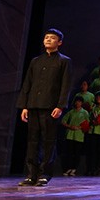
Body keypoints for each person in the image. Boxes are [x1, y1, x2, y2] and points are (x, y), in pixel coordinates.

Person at [17, 28, 72, 187]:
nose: (48, 39)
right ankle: (31, 174)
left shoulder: (64, 61)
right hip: (33, 105)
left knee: (48, 141)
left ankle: (44, 174)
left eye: (52, 38)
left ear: (59, 42)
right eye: (46, 37)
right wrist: (24, 106)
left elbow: (65, 85)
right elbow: (27, 83)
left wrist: (60, 106)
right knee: (32, 141)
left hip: (50, 107)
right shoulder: (35, 61)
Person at [61, 96, 89, 176]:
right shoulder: (71, 112)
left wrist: (79, 127)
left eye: (79, 101)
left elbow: (87, 123)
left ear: (82, 103)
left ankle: (74, 169)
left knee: (77, 153)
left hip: (79, 136)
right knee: (69, 153)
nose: (77, 103)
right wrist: (70, 126)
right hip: (70, 135)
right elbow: (63, 121)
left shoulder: (85, 112)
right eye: (76, 101)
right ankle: (68, 168)